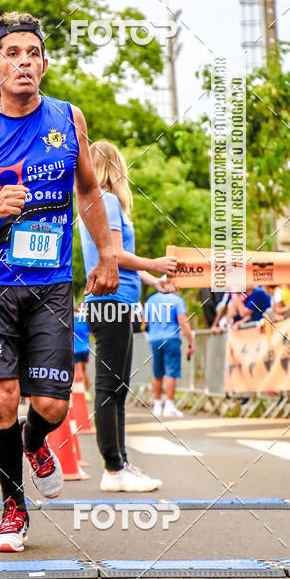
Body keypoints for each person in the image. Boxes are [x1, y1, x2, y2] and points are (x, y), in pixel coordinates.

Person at [0, 11, 119, 552]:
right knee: (1, 398)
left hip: (49, 285)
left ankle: (35, 442)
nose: (23, 62)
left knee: (51, 406)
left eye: (32, 53)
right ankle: (13, 509)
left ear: (43, 63)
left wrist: (108, 250)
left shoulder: (68, 119)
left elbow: (88, 191)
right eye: (12, 54)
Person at [78, 139, 177, 492]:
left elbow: (119, 256)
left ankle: (119, 463)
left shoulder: (94, 204)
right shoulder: (107, 201)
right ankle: (114, 467)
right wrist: (154, 264)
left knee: (116, 386)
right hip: (113, 302)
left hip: (114, 301)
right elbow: (116, 255)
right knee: (110, 387)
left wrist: (153, 279)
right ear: (114, 166)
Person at [144, 288, 194, 418]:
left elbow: (145, 322)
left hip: (154, 339)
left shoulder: (150, 300)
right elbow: (182, 321)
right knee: (171, 372)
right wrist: (190, 341)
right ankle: (169, 405)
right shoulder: (176, 300)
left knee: (157, 372)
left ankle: (157, 405)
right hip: (171, 338)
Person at [73, 302, 91, 396]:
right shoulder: (85, 320)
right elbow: (91, 332)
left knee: (78, 370)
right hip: (86, 348)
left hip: (76, 348)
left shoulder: (73, 319)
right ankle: (87, 391)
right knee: (84, 370)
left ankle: (80, 392)